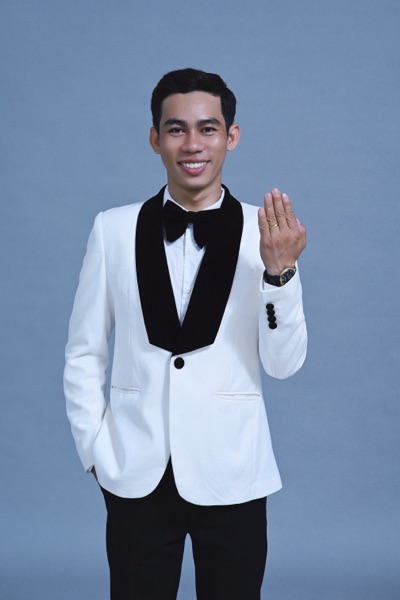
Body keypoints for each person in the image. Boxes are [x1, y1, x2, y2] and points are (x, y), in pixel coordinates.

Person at [64, 67, 307, 600]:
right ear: (155, 139)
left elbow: (284, 364)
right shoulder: (112, 229)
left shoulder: (268, 234)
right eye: (176, 129)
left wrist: (279, 274)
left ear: (231, 136)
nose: (192, 144)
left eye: (208, 128)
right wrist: (95, 449)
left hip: (234, 472)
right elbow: (84, 351)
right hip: (135, 471)